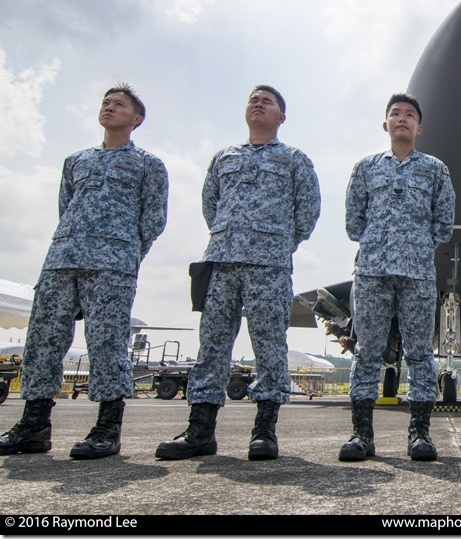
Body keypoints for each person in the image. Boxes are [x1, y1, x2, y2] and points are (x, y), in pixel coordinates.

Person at [0, 84, 168, 459]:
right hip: (62, 259)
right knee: (43, 340)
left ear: (136, 119)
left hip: (112, 264)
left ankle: (107, 427)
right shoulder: (76, 160)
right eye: (105, 103)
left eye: (118, 104)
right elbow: (66, 207)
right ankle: (34, 425)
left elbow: (153, 221)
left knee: (107, 342)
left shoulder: (148, 165)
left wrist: (123, 255)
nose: (109, 107)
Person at [155, 85, 321, 461]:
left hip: (269, 264)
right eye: (253, 99)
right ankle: (200, 431)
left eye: (268, 101)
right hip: (222, 260)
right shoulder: (223, 157)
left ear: (281, 117)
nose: (258, 103)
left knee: (269, 345)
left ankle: (264, 430)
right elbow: (210, 205)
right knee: (212, 343)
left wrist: (273, 243)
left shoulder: (294, 159)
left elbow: (307, 213)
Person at [339, 93, 454, 462]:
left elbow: (443, 223)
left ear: (420, 127)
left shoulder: (435, 170)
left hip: (418, 274)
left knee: (421, 353)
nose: (402, 119)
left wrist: (415, 245)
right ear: (385, 124)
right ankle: (362, 434)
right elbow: (354, 222)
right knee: (367, 352)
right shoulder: (366, 167)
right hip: (372, 272)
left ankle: (419, 434)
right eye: (395, 114)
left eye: (409, 115)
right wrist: (380, 244)